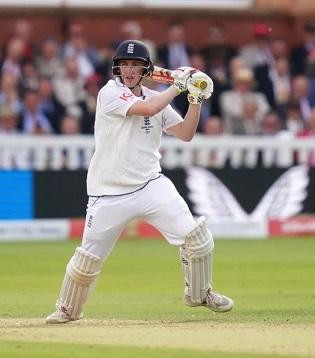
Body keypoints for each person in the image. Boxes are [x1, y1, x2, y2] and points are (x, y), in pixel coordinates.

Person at [45, 40, 233, 324]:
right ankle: (68, 309)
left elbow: (184, 133)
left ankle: (199, 293)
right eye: (124, 65)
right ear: (117, 68)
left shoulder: (155, 94)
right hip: (108, 193)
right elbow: (147, 109)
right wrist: (179, 84)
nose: (129, 70)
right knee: (88, 260)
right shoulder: (109, 93)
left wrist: (195, 99)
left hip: (150, 184)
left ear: (146, 70)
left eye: (135, 65)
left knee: (197, 239)